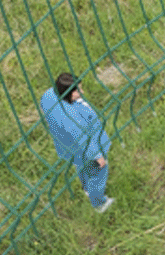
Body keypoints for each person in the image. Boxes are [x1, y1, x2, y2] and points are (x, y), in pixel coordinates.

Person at [40, 72, 114, 213]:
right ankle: (99, 203)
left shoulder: (49, 96)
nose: (82, 92)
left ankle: (86, 188)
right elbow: (82, 138)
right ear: (67, 93)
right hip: (88, 147)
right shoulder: (71, 118)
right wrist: (98, 155)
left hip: (69, 147)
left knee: (81, 166)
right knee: (98, 172)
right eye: (78, 91)